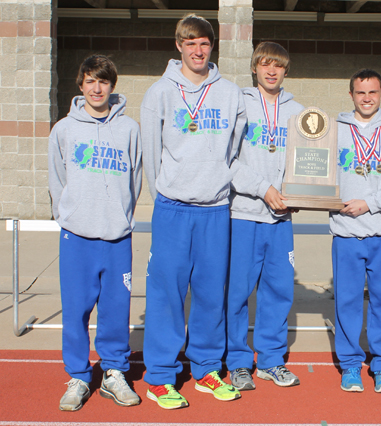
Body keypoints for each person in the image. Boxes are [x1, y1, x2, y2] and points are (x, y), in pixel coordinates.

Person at [140, 14, 246, 409]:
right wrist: (169, 191)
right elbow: (152, 157)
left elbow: (233, 149)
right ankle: (161, 377)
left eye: (204, 43)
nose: (198, 50)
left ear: (211, 46)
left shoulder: (231, 93)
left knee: (208, 294)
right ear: (178, 46)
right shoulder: (159, 93)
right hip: (173, 208)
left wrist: (214, 180)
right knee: (167, 293)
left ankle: (205, 369)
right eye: (190, 43)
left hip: (215, 209)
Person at [48, 55, 142, 411]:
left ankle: (114, 373)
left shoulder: (129, 129)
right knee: (75, 310)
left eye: (102, 81)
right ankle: (78, 376)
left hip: (116, 236)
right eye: (90, 81)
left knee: (116, 309)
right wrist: (69, 214)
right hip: (78, 235)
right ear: (81, 85)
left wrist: (119, 215)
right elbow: (56, 179)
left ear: (112, 85)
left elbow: (135, 180)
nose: (96, 88)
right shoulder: (64, 129)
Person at [226, 42, 304, 390]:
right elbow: (228, 161)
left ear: (286, 71)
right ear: (255, 67)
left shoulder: (298, 112)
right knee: (238, 292)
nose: (272, 71)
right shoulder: (238, 104)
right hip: (245, 213)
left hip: (281, 218)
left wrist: (301, 194)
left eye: (279, 66)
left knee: (278, 290)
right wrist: (263, 188)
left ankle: (271, 360)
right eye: (265, 65)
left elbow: (306, 164)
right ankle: (239, 361)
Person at [331, 69, 381, 394]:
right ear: (351, 95)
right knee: (347, 301)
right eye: (361, 93)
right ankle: (350, 365)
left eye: (372, 92)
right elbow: (317, 173)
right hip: (345, 233)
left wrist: (371, 203)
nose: (366, 98)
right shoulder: (334, 132)